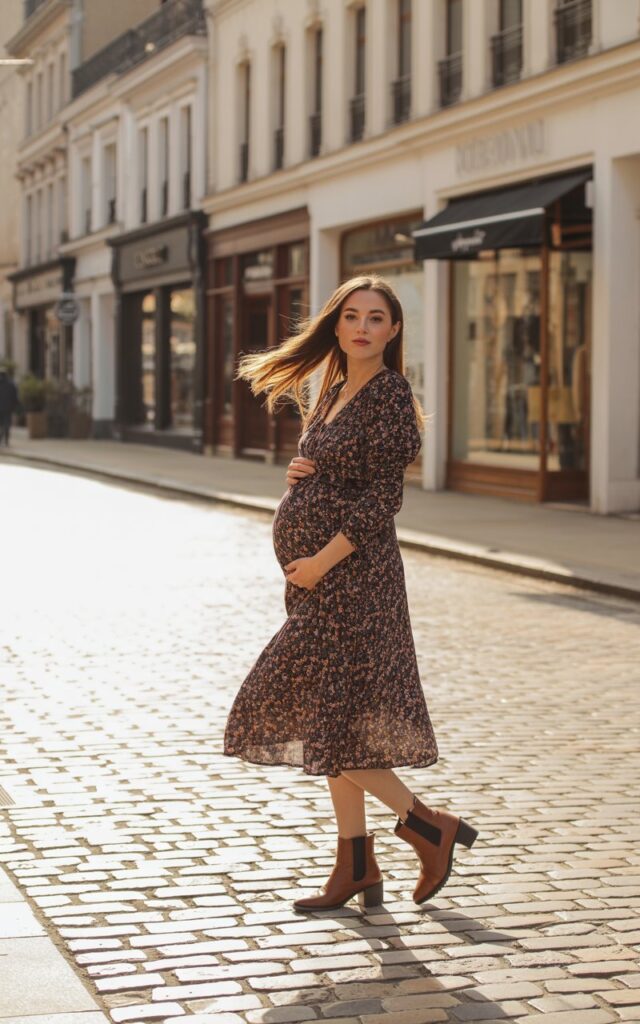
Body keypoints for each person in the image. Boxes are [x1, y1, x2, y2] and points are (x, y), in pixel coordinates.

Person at [223, 274, 478, 912]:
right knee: (338, 719)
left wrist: (318, 561)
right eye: (352, 316)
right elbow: (335, 468)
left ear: (393, 331)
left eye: (376, 318)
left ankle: (428, 827)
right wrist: (297, 474)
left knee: (318, 714)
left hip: (354, 581)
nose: (362, 326)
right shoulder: (332, 387)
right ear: (336, 325)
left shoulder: (390, 394)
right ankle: (356, 865)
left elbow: (382, 500)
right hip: (315, 584)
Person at [0, 369, 19, 447]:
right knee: (6, 424)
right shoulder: (11, 384)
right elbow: (15, 397)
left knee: (2, 425)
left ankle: (2, 439)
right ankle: (6, 440)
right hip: (8, 408)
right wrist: (14, 406)